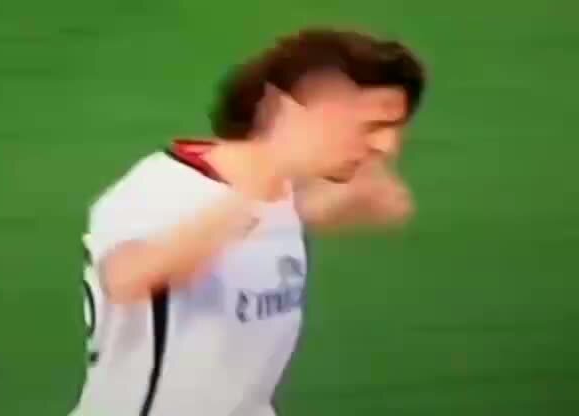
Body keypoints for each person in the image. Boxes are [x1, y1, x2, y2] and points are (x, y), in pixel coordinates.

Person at [71, 28, 426, 416]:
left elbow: (346, 206)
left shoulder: (282, 195)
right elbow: (126, 278)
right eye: (371, 126)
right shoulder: (163, 185)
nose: (387, 145)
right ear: (293, 112)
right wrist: (254, 194)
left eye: (394, 129)